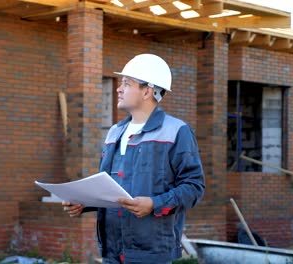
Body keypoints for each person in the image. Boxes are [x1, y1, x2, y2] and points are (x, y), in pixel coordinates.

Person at [62, 54, 205, 264]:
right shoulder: (114, 132)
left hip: (150, 253)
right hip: (112, 250)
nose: (118, 89)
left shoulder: (176, 131)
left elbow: (194, 187)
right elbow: (112, 188)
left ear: (147, 91)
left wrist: (155, 204)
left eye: (127, 84)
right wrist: (85, 203)